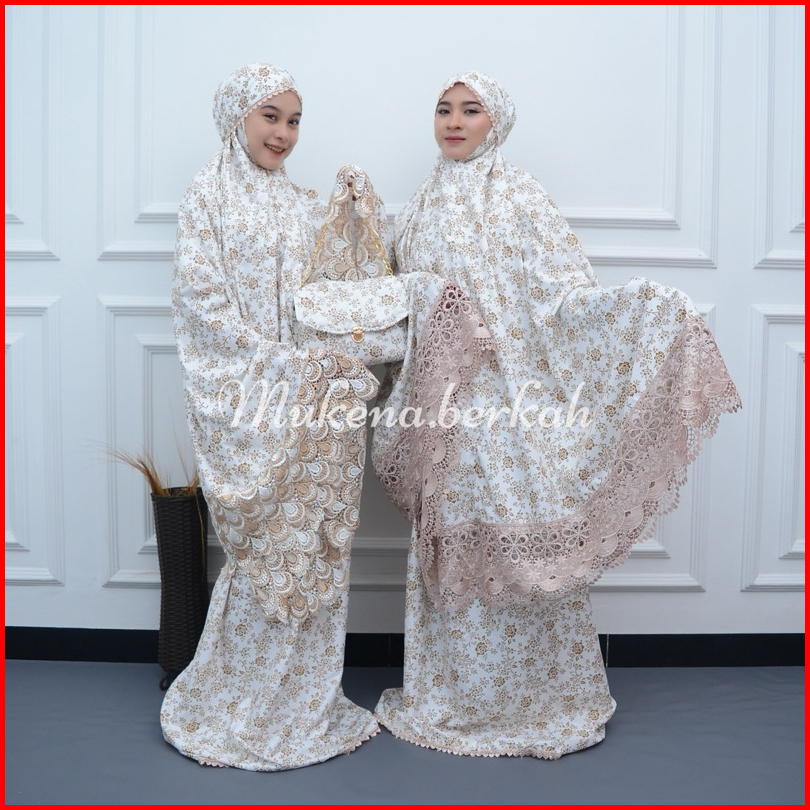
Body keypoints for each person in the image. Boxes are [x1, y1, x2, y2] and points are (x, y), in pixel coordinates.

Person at [371, 71, 740, 759]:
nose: (454, 121)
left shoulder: (520, 196)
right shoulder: (418, 206)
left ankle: (543, 698)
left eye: (471, 109)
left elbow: (561, 299)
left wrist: (643, 308)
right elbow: (401, 303)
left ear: (497, 121)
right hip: (443, 413)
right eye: (444, 109)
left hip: (510, 410)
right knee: (455, 540)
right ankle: (460, 698)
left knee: (518, 540)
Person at [160, 64, 380, 770]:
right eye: (270, 117)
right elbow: (202, 308)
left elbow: (332, 292)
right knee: (265, 556)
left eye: (294, 121)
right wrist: (281, 368)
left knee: (313, 549)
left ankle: (304, 700)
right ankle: (242, 700)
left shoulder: (298, 203)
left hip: (315, 406)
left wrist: (351, 213)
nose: (283, 134)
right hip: (257, 399)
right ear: (237, 116)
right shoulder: (208, 196)